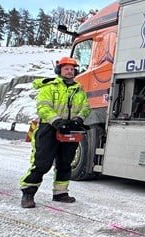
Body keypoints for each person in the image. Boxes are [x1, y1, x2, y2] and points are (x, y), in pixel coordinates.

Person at [20, 56, 91, 208]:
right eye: (66, 69)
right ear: (59, 70)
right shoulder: (49, 87)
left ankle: (60, 193)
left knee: (65, 163)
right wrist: (57, 121)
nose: (70, 72)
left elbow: (86, 107)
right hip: (49, 129)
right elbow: (43, 107)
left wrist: (78, 119)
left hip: (69, 129)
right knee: (41, 163)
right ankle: (28, 193)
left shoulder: (79, 90)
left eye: (72, 69)